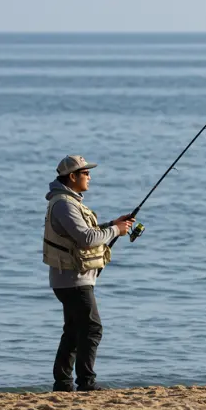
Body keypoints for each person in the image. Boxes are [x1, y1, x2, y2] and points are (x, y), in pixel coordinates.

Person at [43, 155, 134, 392]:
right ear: (72, 177)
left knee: (74, 330)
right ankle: (86, 383)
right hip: (73, 279)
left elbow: (85, 232)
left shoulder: (68, 201)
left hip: (71, 278)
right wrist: (116, 230)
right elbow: (85, 239)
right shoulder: (64, 204)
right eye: (85, 173)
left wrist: (112, 224)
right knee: (92, 328)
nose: (89, 177)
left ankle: (63, 384)